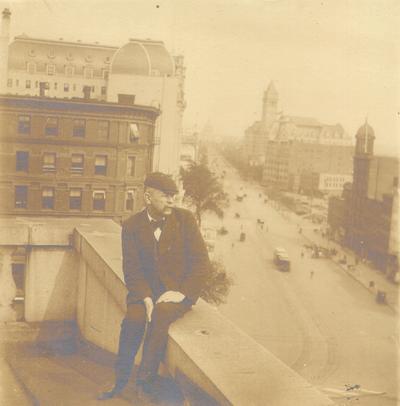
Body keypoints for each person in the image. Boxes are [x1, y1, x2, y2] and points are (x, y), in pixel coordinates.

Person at [98, 172, 210, 400]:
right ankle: (120, 380)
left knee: (161, 315)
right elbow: (132, 270)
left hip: (178, 292)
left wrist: (182, 293)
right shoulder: (131, 226)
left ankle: (144, 382)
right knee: (134, 319)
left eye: (173, 196)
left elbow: (202, 263)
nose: (172, 201)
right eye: (166, 196)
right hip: (145, 291)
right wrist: (146, 297)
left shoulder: (185, 219)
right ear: (148, 198)